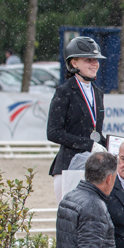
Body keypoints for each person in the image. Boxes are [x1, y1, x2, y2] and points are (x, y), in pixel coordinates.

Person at [47, 36, 108, 204]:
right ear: (74, 63)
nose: (95, 64)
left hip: (93, 167)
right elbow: (53, 133)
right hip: (69, 166)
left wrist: (112, 145)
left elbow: (95, 132)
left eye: (96, 60)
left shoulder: (98, 93)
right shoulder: (64, 92)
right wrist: (89, 145)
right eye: (89, 60)